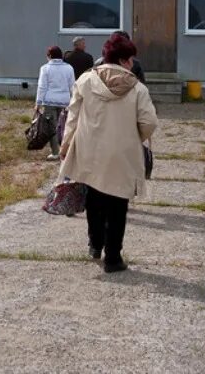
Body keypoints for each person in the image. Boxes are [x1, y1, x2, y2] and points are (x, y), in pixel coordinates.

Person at [58, 33, 158, 273]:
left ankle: (95, 244)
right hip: (122, 153)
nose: (133, 63)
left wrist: (66, 144)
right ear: (124, 61)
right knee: (117, 204)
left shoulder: (85, 81)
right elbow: (149, 122)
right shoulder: (137, 88)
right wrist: (135, 138)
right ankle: (113, 257)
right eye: (131, 59)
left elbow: (73, 116)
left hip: (89, 149)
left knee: (93, 199)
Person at [35, 45, 76, 161]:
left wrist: (38, 102)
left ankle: (55, 152)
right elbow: (73, 86)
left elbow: (42, 87)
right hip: (65, 101)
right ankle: (66, 150)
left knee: (51, 127)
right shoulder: (69, 68)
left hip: (49, 101)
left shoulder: (45, 68)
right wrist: (73, 100)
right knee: (65, 127)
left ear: (49, 56)